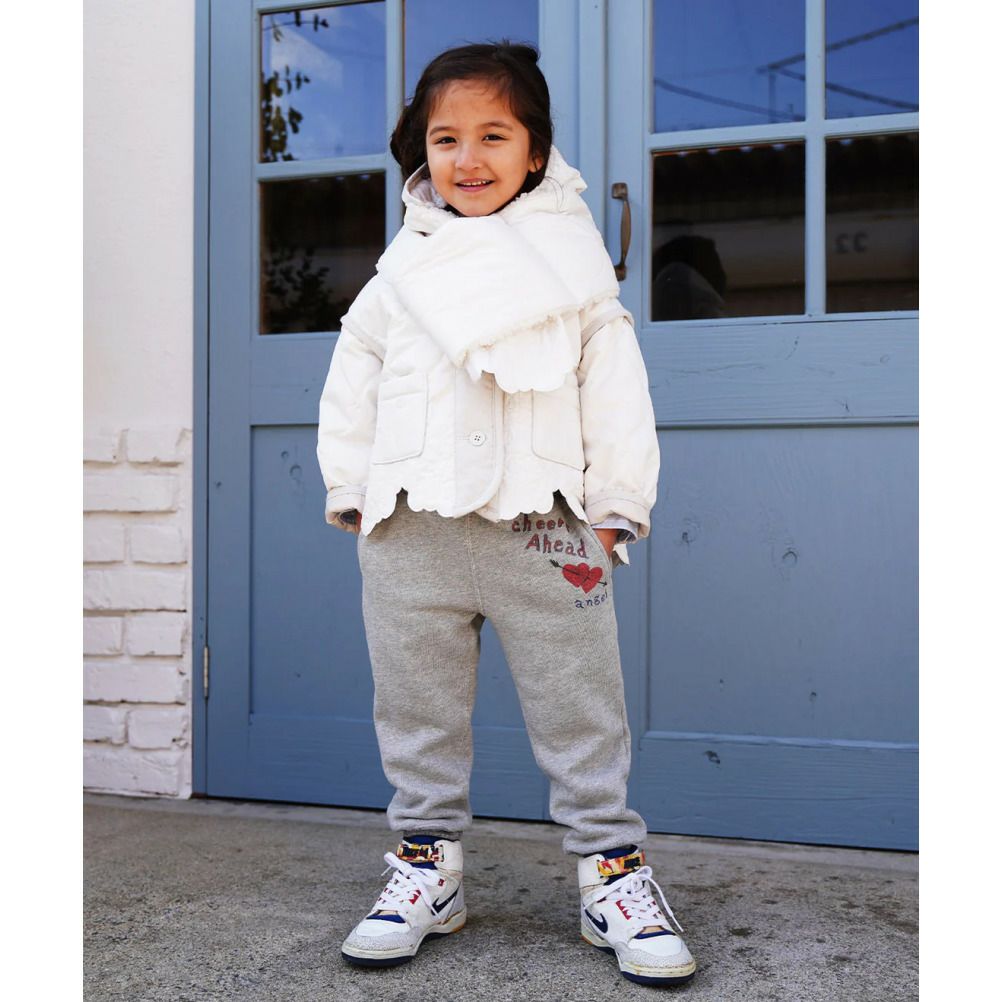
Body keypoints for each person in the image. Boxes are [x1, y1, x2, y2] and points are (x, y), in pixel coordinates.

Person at [316, 41, 696, 987]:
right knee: (417, 712)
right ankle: (427, 869)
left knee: (582, 710)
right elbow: (351, 386)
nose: (469, 158)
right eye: (446, 138)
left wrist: (615, 510)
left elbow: (617, 396)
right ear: (422, 151)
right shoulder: (397, 277)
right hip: (413, 527)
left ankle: (612, 874)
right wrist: (352, 489)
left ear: (535, 151)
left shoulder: (575, 274)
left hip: (546, 530)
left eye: (494, 135)